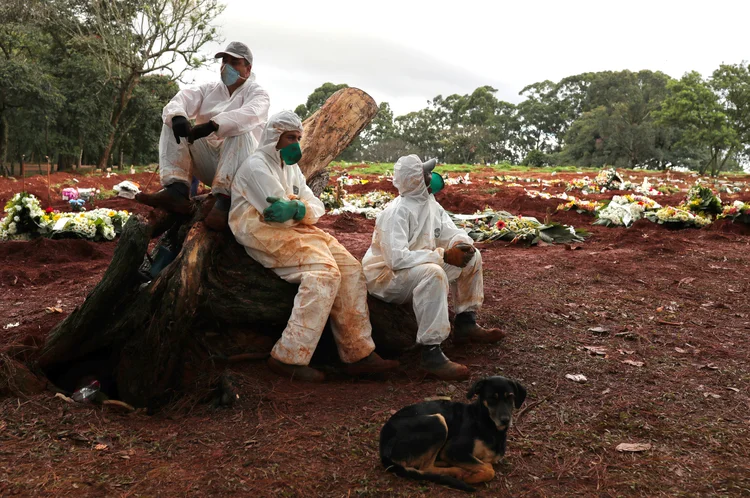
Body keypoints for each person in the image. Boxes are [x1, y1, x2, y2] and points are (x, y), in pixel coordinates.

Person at [229, 110, 399, 382]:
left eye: (298, 137)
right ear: (274, 137)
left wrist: (296, 207)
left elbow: (318, 207)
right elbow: (279, 218)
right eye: (290, 137)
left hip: (296, 228)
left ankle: (357, 353)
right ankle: (288, 357)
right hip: (259, 230)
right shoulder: (256, 166)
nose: (296, 143)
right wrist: (301, 209)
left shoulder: (292, 168)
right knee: (324, 274)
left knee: (351, 269)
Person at [362, 155, 506, 381]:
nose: (433, 177)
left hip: (417, 266)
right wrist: (443, 256)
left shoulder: (430, 204)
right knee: (434, 273)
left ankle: (466, 322)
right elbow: (396, 260)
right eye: (427, 174)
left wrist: (460, 244)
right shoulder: (395, 212)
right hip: (386, 278)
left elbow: (450, 231)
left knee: (473, 256)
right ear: (415, 180)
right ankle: (431, 352)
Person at [136, 41, 270, 231]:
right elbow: (180, 100)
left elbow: (250, 114)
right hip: (213, 165)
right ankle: (177, 191)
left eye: (234, 62)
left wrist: (213, 125)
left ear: (247, 69)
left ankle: (223, 203)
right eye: (224, 61)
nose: (227, 66)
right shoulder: (209, 89)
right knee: (172, 122)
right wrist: (179, 117)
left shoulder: (257, 93)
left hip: (243, 171)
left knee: (240, 130)